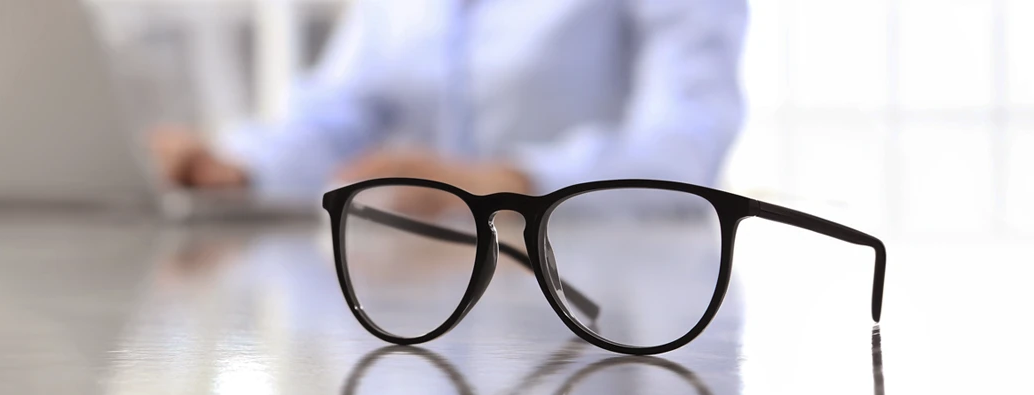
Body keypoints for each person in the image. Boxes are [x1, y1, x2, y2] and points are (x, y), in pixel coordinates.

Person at [151, 0, 747, 203]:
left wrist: (501, 182)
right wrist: (240, 166)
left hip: (623, 306)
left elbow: (684, 147)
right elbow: (345, 112)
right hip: (422, 296)